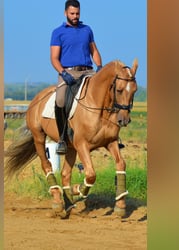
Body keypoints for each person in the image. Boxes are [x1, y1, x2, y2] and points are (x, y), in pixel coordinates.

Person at [50, 0, 103, 154]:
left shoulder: (87, 30)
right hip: (68, 72)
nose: (75, 16)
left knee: (107, 91)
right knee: (60, 99)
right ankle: (62, 138)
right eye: (72, 13)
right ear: (65, 13)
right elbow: (54, 58)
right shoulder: (58, 32)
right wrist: (63, 72)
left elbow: (94, 51)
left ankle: (111, 133)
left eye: (77, 13)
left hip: (88, 71)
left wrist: (99, 67)